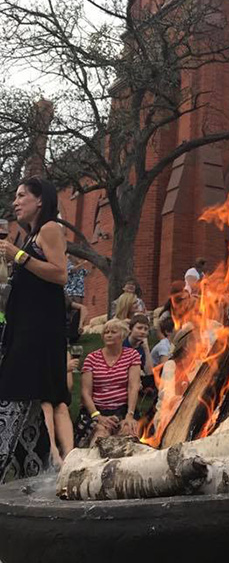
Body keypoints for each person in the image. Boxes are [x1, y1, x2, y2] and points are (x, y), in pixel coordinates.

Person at [0, 177, 72, 477]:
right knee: (29, 396)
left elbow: (60, 275)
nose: (15, 202)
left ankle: (18, 462)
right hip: (25, 329)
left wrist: (17, 255)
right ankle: (34, 466)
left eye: (21, 196)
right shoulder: (30, 237)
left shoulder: (50, 229)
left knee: (15, 388)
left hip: (39, 334)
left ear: (40, 200)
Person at [76, 319, 142, 445]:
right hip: (96, 410)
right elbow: (85, 392)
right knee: (100, 436)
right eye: (106, 332)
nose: (109, 335)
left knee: (128, 434)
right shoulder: (92, 358)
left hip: (122, 409)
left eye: (113, 332)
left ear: (123, 335)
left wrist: (130, 414)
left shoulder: (132, 355)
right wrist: (97, 416)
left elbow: (133, 387)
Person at [124, 314, 154, 381]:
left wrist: (146, 348)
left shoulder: (143, 347)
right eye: (139, 328)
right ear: (131, 329)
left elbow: (149, 372)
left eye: (145, 329)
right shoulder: (122, 344)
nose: (143, 332)